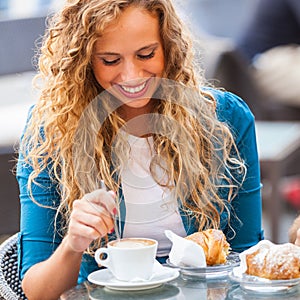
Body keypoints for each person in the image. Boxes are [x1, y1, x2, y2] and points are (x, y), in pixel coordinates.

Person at [16, 0, 264, 298]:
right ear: (83, 60)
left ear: (168, 47)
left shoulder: (225, 119)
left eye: (146, 54)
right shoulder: (51, 130)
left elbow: (246, 256)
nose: (132, 76)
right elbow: (37, 292)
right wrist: (73, 242)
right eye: (110, 60)